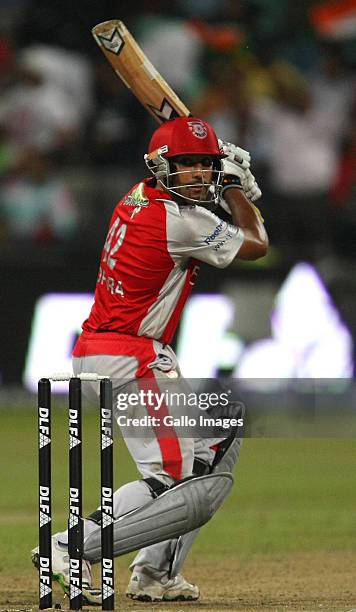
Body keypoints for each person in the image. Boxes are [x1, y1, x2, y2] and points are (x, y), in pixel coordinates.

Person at [32, 116, 268, 604]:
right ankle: (66, 548)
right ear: (162, 166)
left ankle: (155, 572)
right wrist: (238, 189)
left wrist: (225, 184)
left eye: (206, 165)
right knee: (175, 485)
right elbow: (257, 245)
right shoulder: (183, 220)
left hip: (112, 350)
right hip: (131, 357)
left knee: (215, 443)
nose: (198, 175)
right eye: (187, 165)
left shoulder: (136, 196)